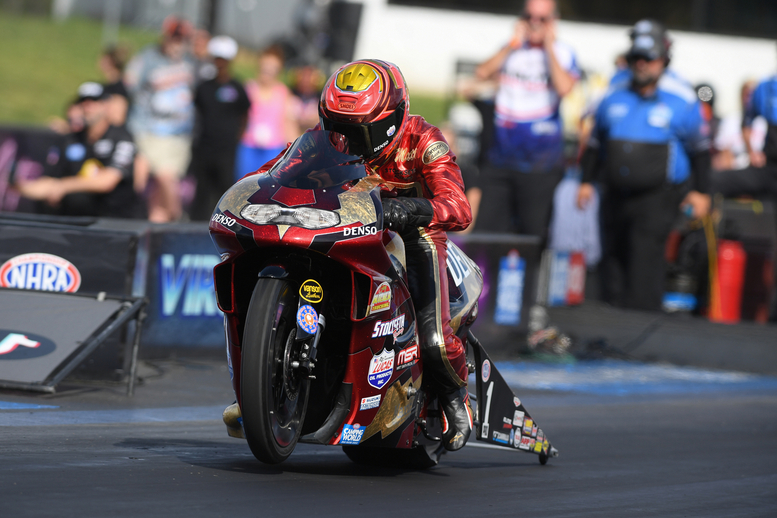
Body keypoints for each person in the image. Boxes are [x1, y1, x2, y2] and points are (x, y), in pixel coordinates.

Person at [225, 59, 475, 451]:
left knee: (435, 341)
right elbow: (273, 172)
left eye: (357, 130)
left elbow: (458, 207)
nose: (344, 139)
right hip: (349, 225)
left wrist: (411, 208)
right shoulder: (323, 138)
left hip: (413, 233)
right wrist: (250, 194)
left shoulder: (425, 141)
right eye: (336, 127)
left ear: (390, 121)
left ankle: (456, 401)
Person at [576, 20, 711, 311]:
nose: (642, 64)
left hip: (658, 197)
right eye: (636, 57)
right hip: (614, 193)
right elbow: (595, 143)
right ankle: (610, 323)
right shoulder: (612, 94)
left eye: (649, 58)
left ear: (663, 60)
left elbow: (701, 150)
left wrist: (701, 191)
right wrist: (585, 181)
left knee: (644, 264)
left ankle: (640, 325)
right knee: (612, 260)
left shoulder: (682, 98)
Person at [472, 0, 580, 241]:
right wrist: (512, 44)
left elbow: (564, 87)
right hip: (501, 158)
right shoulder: (511, 48)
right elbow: (482, 72)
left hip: (540, 163)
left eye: (542, 19)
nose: (534, 23)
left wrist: (549, 46)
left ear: (553, 21)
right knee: (486, 235)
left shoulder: (563, 52)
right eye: (529, 17)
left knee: (530, 237)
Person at [15, 82, 142, 219]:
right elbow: (52, 183)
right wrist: (20, 187)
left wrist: (63, 186)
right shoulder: (73, 139)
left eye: (93, 102)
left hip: (118, 221)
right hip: (81, 221)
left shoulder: (122, 138)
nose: (87, 108)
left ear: (105, 105)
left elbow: (107, 181)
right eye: (83, 103)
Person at [124, 16, 196, 222]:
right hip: (149, 131)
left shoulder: (191, 62)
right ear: (165, 37)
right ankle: (180, 220)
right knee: (165, 177)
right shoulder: (147, 58)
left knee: (158, 200)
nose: (177, 43)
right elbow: (128, 84)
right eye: (173, 38)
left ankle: (157, 231)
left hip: (179, 134)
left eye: (182, 39)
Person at [188, 36, 250, 221]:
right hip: (204, 147)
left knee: (225, 188)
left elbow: (245, 114)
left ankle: (226, 224)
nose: (220, 63)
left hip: (227, 149)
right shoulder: (203, 87)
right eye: (217, 59)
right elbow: (198, 113)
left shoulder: (237, 88)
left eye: (224, 59)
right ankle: (196, 226)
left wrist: (236, 137)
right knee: (202, 190)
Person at [235, 45, 299, 181]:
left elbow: (288, 123)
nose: (267, 71)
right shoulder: (248, 89)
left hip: (273, 151)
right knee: (243, 185)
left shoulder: (283, 93)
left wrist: (296, 155)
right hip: (248, 147)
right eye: (265, 67)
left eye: (272, 68)